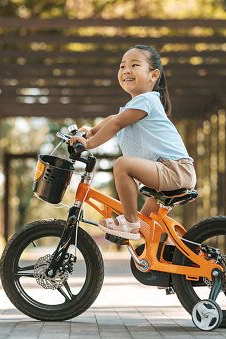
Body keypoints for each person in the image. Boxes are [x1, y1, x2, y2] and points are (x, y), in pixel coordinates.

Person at [69, 45, 196, 240]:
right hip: (170, 171)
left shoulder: (146, 100)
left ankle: (129, 221)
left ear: (153, 75)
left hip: (174, 170)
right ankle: (169, 255)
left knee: (122, 165)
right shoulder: (138, 105)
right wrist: (91, 131)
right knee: (147, 227)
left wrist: (88, 144)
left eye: (134, 65)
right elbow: (115, 117)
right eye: (122, 66)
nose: (126, 70)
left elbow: (118, 122)